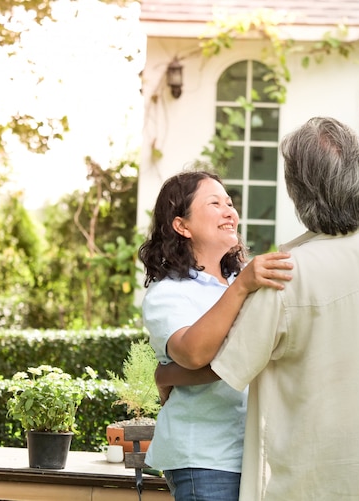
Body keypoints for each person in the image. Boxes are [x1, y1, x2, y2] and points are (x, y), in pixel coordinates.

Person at [159, 117, 359, 500]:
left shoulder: (283, 274)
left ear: (298, 193)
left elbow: (226, 366)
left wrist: (166, 376)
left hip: (321, 481)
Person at [138, 168, 293, 501]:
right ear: (182, 225)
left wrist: (168, 374)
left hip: (260, 458)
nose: (230, 211)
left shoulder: (245, 281)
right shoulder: (169, 293)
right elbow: (192, 354)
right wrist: (242, 286)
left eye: (230, 203)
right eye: (215, 203)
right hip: (206, 460)